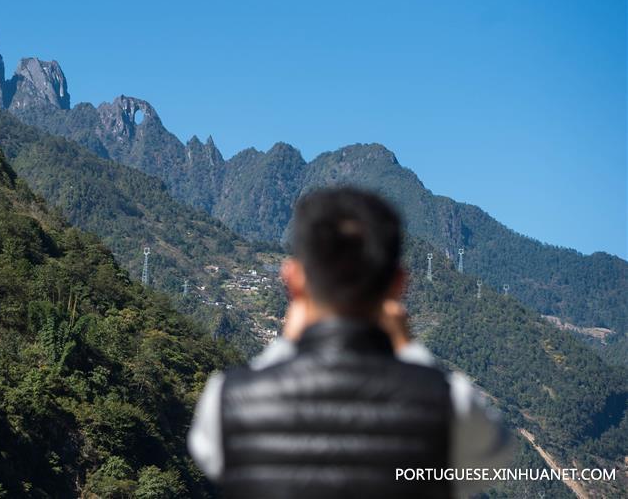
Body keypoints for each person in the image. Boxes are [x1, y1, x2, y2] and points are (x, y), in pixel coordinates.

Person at [188, 187, 512, 498]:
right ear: (398, 285)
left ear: (293, 279)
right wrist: (408, 348)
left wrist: (287, 342)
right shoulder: (450, 404)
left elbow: (210, 455)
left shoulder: (226, 401)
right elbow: (494, 457)